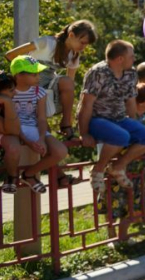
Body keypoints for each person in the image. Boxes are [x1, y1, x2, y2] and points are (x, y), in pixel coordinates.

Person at [77, 40, 145, 195]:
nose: (134, 59)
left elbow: (130, 102)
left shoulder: (131, 73)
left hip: (119, 118)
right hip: (97, 119)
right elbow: (86, 104)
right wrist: (83, 133)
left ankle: (118, 166)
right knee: (121, 136)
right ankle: (98, 170)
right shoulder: (98, 72)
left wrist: (137, 127)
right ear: (120, 59)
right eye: (131, 56)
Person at [5, 20, 97, 138]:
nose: (83, 47)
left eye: (86, 45)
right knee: (42, 133)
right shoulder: (47, 42)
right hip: (29, 86)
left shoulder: (73, 55)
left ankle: (66, 123)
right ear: (71, 35)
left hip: (47, 87)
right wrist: (23, 74)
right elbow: (10, 55)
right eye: (82, 42)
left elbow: (69, 82)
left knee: (67, 83)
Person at [9, 56, 68, 193]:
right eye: (34, 74)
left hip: (34, 128)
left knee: (61, 151)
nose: (38, 77)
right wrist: (28, 141)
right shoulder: (8, 93)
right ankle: (11, 177)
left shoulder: (39, 92)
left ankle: (29, 174)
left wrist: (41, 138)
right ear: (19, 75)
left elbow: (41, 119)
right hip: (13, 129)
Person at [0, 70, 21, 193]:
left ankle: (12, 177)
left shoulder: (6, 101)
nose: (16, 93)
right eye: (11, 90)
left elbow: (13, 131)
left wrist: (8, 103)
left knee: (13, 147)